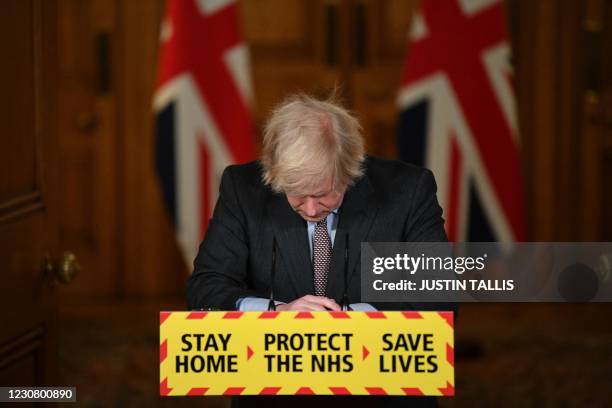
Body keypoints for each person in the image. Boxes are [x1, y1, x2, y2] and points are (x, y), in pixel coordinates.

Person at [186, 93, 453, 407]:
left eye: (323, 194)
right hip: (276, 389)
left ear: (350, 169)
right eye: (296, 194)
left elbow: (438, 299)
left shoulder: (408, 191)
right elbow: (206, 289)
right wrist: (275, 315)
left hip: (384, 390)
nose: (311, 210)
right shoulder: (242, 189)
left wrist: (349, 321)